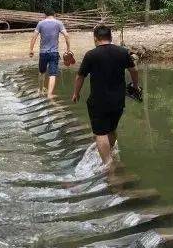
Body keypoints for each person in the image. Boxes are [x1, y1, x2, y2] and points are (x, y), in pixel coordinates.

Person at [71, 24, 141, 167]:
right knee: (111, 129)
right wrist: (135, 86)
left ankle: (108, 165)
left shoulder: (91, 55)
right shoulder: (122, 52)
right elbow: (134, 70)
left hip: (99, 101)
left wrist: (76, 93)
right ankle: (109, 155)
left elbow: (80, 77)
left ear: (96, 38)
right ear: (111, 37)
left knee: (100, 133)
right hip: (118, 101)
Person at [28, 10, 72, 97]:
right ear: (54, 15)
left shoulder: (40, 23)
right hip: (54, 52)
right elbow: (66, 35)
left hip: (43, 52)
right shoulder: (58, 23)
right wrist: (68, 49)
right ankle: (50, 94)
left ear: (45, 15)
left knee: (41, 72)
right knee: (52, 74)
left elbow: (34, 37)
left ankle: (40, 91)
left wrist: (31, 50)